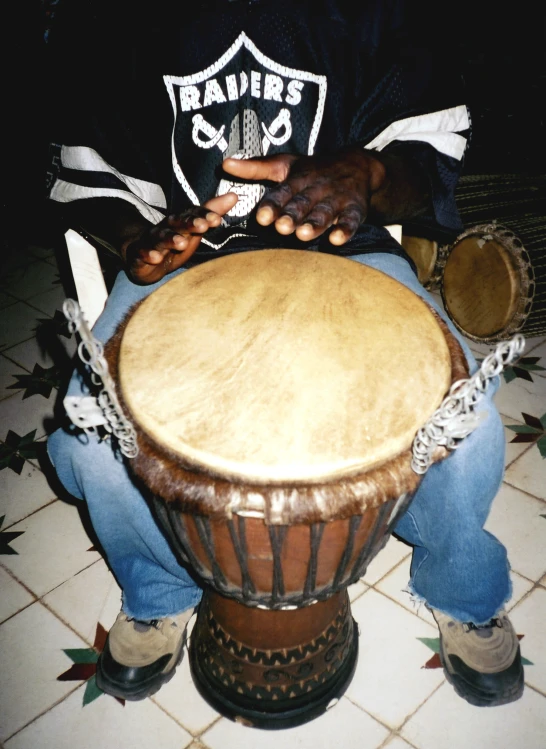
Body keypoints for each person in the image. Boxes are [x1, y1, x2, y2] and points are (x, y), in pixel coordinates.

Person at [45, 0, 523, 708]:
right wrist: (132, 242)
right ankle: (157, 588)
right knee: (92, 433)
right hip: (184, 259)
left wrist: (366, 173)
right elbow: (87, 182)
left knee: (470, 421)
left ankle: (460, 584)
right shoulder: (114, 20)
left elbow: (430, 155)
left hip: (346, 248)